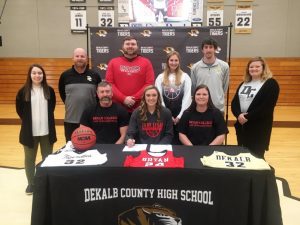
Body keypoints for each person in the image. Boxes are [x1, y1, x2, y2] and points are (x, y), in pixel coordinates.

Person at [16, 64, 57, 194]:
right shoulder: (23, 92)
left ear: (43, 75)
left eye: (40, 73)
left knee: (47, 158)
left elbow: (52, 107)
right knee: (29, 159)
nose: (37, 75)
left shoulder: (49, 91)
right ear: (30, 75)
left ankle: (46, 182)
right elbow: (20, 111)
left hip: (46, 132)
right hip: (30, 133)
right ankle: (31, 184)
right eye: (34, 73)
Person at [231, 57, 280, 158]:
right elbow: (234, 103)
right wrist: (238, 115)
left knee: (256, 157)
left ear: (263, 68)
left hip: (259, 128)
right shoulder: (244, 83)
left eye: (257, 66)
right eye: (251, 67)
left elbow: (266, 107)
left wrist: (247, 117)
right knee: (242, 155)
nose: (254, 69)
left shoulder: (271, 84)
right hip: (242, 126)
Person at [59, 48, 101, 141]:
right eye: (77, 56)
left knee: (91, 147)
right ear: (72, 58)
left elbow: (99, 97)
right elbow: (63, 95)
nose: (79, 58)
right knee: (70, 148)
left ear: (86, 58)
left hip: (91, 120)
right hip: (71, 120)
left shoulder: (95, 75)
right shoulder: (65, 75)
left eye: (82, 56)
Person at [106, 36, 155, 114]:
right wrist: (123, 99)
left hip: (140, 108)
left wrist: (134, 99)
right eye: (127, 44)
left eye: (133, 44)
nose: (130, 46)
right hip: (117, 108)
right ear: (123, 46)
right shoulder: (113, 62)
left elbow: (149, 84)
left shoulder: (146, 62)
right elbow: (109, 84)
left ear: (137, 47)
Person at [155, 51, 191, 144]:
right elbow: (159, 98)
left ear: (179, 62)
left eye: (176, 60)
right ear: (167, 62)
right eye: (171, 60)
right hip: (165, 113)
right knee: (166, 139)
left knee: (179, 141)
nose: (173, 63)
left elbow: (187, 97)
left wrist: (180, 115)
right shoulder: (160, 77)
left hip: (180, 114)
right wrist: (167, 114)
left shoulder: (185, 77)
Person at [191, 37, 229, 113]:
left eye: (211, 47)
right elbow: (194, 87)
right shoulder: (195, 67)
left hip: (218, 108)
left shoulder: (224, 66)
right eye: (206, 47)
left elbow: (224, 87)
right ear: (202, 50)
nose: (208, 50)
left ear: (215, 49)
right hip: (201, 108)